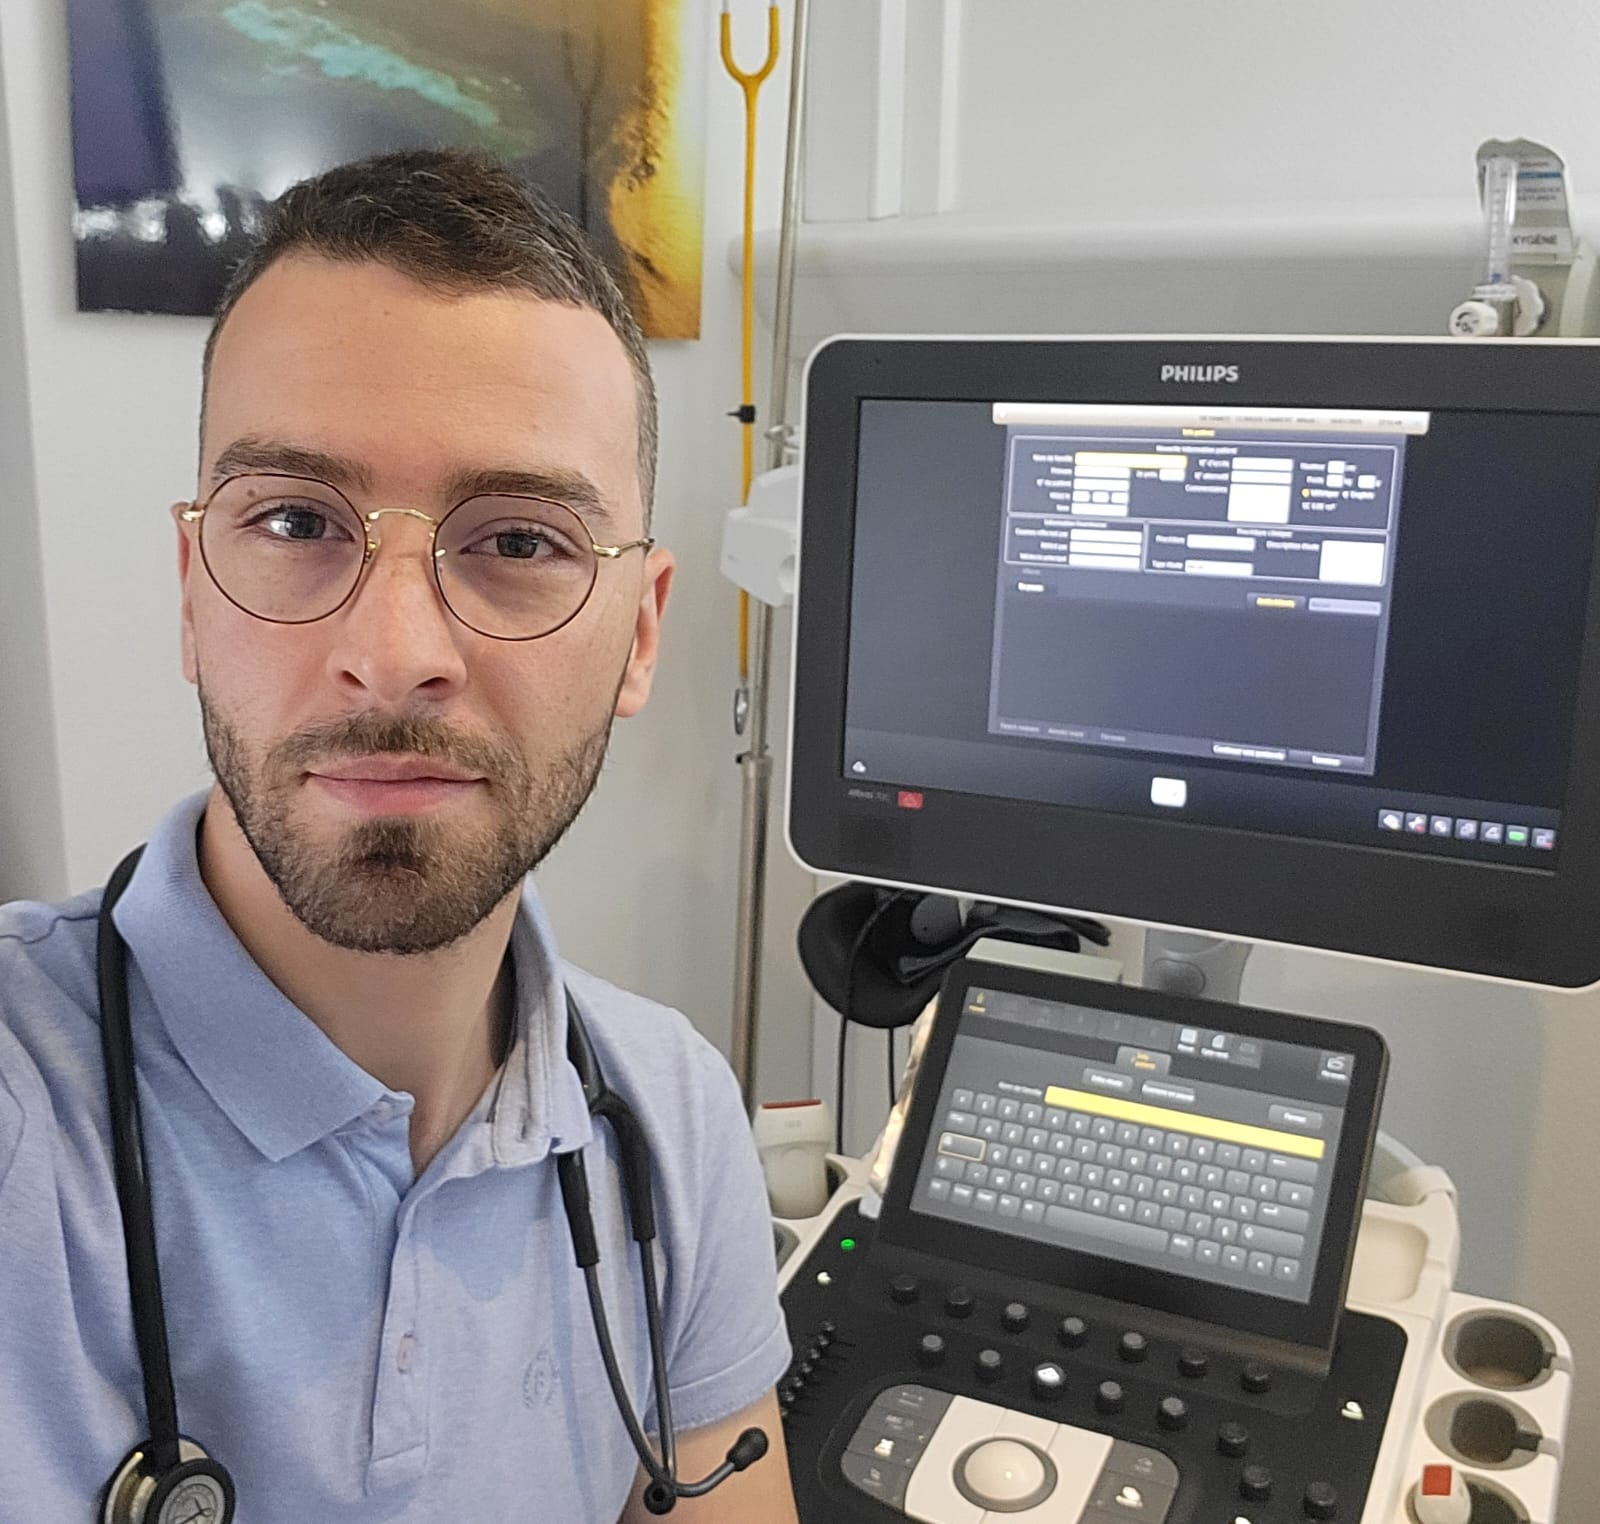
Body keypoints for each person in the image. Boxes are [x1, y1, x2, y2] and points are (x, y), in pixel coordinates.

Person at [0, 149, 799, 1522]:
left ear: (641, 633)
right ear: (192, 594)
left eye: (521, 542)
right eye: (296, 520)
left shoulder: (669, 1112)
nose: (395, 650)